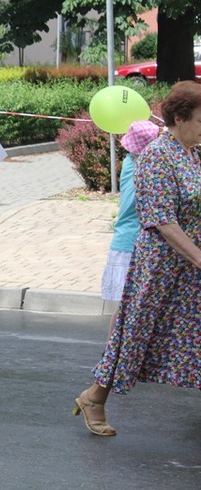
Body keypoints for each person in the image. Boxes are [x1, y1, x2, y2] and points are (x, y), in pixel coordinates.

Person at [73, 81, 201, 437]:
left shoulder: (191, 152)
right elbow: (162, 220)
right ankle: (94, 397)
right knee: (136, 335)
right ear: (180, 118)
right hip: (161, 267)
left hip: (187, 267)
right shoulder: (158, 156)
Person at [100, 119, 159, 335]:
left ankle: (112, 353)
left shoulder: (128, 161)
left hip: (123, 241)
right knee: (130, 310)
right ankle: (114, 355)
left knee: (125, 311)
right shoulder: (144, 171)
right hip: (131, 245)